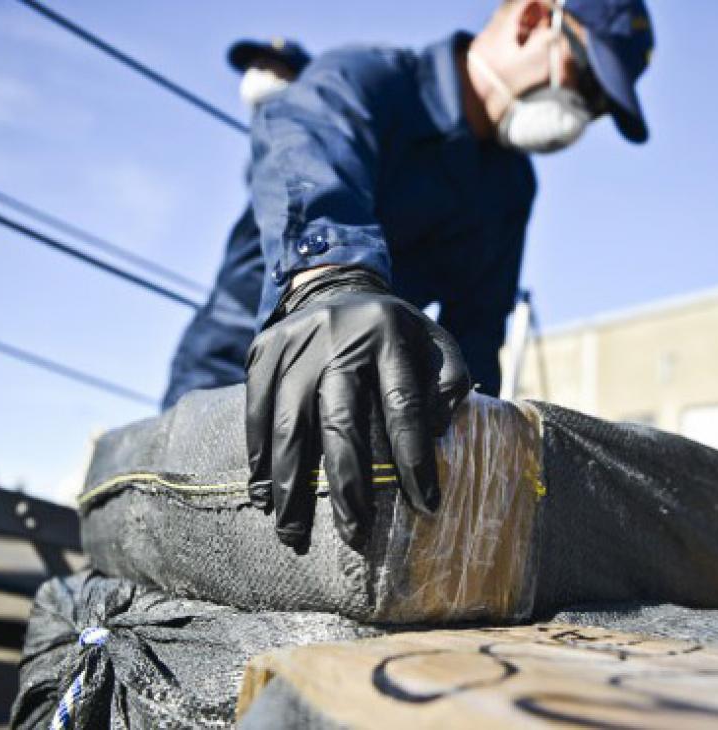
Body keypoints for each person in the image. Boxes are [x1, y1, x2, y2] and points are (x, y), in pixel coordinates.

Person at [165, 0, 655, 552]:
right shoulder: (365, 80)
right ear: (533, 18)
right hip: (235, 363)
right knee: (205, 544)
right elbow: (303, 144)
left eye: (598, 110)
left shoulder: (508, 188)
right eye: (586, 82)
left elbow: (477, 333)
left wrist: (473, 460)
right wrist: (329, 278)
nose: (580, 114)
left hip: (353, 387)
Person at [161, 37, 310, 409]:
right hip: (243, 321)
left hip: (238, 325)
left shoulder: (293, 126)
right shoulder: (274, 135)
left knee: (192, 446)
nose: (254, 76)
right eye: (251, 67)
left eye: (269, 67)